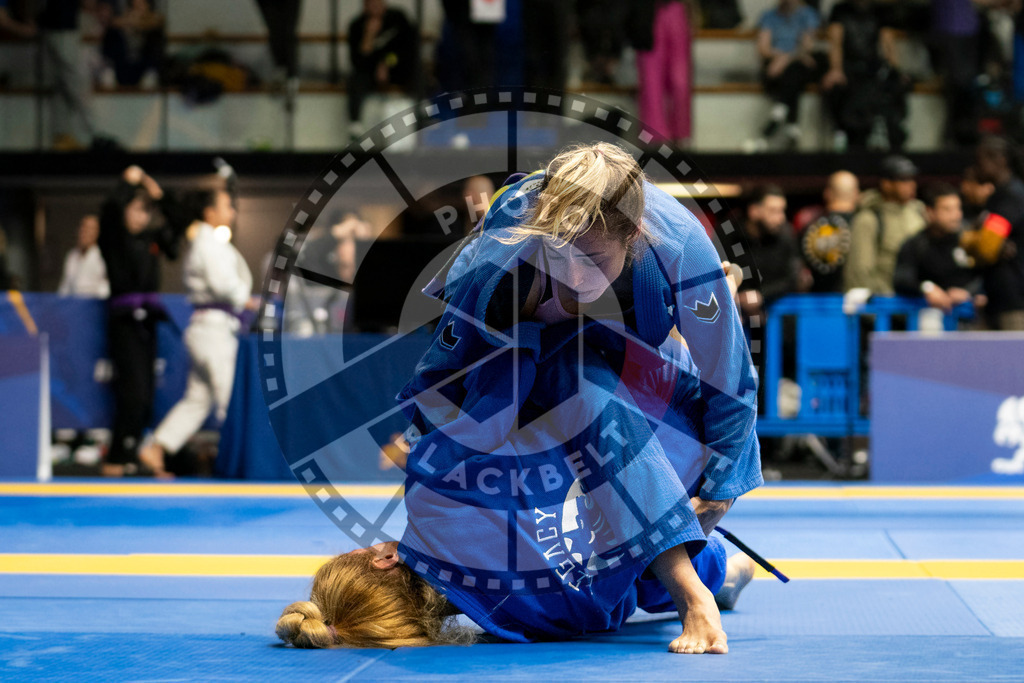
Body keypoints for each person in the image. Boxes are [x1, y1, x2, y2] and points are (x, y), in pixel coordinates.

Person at [278, 143, 762, 652]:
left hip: (638, 350)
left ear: (634, 235)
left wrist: (725, 478)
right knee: (577, 386)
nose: (575, 277)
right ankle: (703, 584)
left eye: (593, 258)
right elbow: (446, 368)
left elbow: (730, 377)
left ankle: (709, 572)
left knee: (598, 427)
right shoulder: (495, 262)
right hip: (555, 372)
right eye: (560, 254)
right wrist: (427, 437)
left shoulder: (679, 242)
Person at [138, 189, 255, 478]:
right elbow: (222, 285)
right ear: (209, 212)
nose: (233, 212)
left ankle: (156, 447)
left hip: (210, 328)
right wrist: (246, 298)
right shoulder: (207, 242)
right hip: (212, 330)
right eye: (228, 206)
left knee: (198, 399)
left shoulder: (209, 240)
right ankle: (237, 459)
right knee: (228, 395)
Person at [97, 165, 190, 477]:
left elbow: (178, 223)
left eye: (145, 212)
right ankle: (116, 458)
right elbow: (109, 210)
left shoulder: (152, 240)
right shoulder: (113, 238)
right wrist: (127, 182)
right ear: (125, 211)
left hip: (148, 323)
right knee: (132, 393)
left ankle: (128, 457)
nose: (140, 217)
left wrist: (157, 192)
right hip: (124, 322)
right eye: (135, 210)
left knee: (147, 396)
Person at [822, 0, 907, 151]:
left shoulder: (879, 11)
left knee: (892, 85)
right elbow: (835, 43)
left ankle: (888, 135)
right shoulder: (841, 10)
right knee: (837, 88)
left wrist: (896, 70)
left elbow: (888, 43)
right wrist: (836, 69)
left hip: (871, 67)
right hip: (848, 66)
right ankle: (843, 134)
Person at [964, 136, 1024, 329]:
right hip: (994, 299)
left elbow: (986, 248)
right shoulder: (996, 197)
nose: (976, 167)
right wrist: (974, 240)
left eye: (980, 161)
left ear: (1000, 160)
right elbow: (981, 244)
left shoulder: (1011, 195)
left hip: (1014, 303)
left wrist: (972, 242)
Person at [748, 0, 823, 152]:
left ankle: (775, 122)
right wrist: (780, 59)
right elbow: (763, 48)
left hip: (796, 66)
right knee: (791, 75)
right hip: (776, 69)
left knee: (795, 71)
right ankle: (792, 128)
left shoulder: (808, 14)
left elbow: (806, 47)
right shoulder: (769, 16)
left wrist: (785, 59)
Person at [893, 183, 983, 312]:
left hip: (971, 319)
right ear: (930, 212)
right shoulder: (916, 244)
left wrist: (969, 292)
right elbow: (901, 278)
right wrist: (927, 288)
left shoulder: (970, 239)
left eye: (958, 208)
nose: (956, 215)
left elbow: (985, 275)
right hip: (929, 319)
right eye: (947, 209)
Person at [844, 155, 926, 294]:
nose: (911, 184)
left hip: (920, 300)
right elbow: (860, 272)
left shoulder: (919, 213)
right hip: (886, 304)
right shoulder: (869, 219)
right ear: (886, 184)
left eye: (912, 179)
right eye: (903, 180)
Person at [347, 0, 416, 138]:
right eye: (370, 4)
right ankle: (355, 123)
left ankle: (422, 114)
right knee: (355, 79)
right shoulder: (357, 25)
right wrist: (369, 36)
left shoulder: (397, 18)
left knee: (418, 74)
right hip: (370, 71)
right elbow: (357, 61)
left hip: (396, 66)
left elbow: (408, 49)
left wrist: (386, 63)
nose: (374, 7)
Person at [737, 184, 806, 323]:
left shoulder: (786, 236)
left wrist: (761, 296)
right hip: (739, 319)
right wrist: (736, 299)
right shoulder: (731, 235)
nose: (781, 218)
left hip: (777, 320)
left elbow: (793, 279)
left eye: (782, 211)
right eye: (773, 211)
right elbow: (718, 272)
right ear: (754, 211)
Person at [37, 0, 96, 150]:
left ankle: (62, 135)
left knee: (61, 85)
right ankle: (92, 134)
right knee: (75, 83)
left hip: (54, 27)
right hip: (63, 28)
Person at [635, 0, 694, 146]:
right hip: (648, 12)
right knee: (651, 82)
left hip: (676, 9)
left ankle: (680, 136)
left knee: (680, 81)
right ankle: (655, 140)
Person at [796, 170, 860, 292]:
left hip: (814, 302)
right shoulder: (862, 226)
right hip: (854, 303)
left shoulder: (810, 225)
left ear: (827, 193)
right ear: (856, 194)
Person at [97, 0, 165, 89]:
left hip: (143, 65)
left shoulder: (154, 21)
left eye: (141, 5)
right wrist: (130, 22)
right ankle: (109, 71)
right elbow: (113, 22)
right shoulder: (123, 20)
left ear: (148, 6)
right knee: (112, 34)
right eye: (135, 6)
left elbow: (158, 21)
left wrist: (137, 23)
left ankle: (150, 74)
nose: (137, 9)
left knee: (155, 36)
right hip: (123, 65)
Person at [57, 214, 110, 298]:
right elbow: (65, 287)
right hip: (74, 305)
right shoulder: (72, 255)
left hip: (95, 304)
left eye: (90, 228)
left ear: (98, 232)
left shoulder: (103, 256)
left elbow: (106, 288)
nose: (85, 231)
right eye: (83, 227)